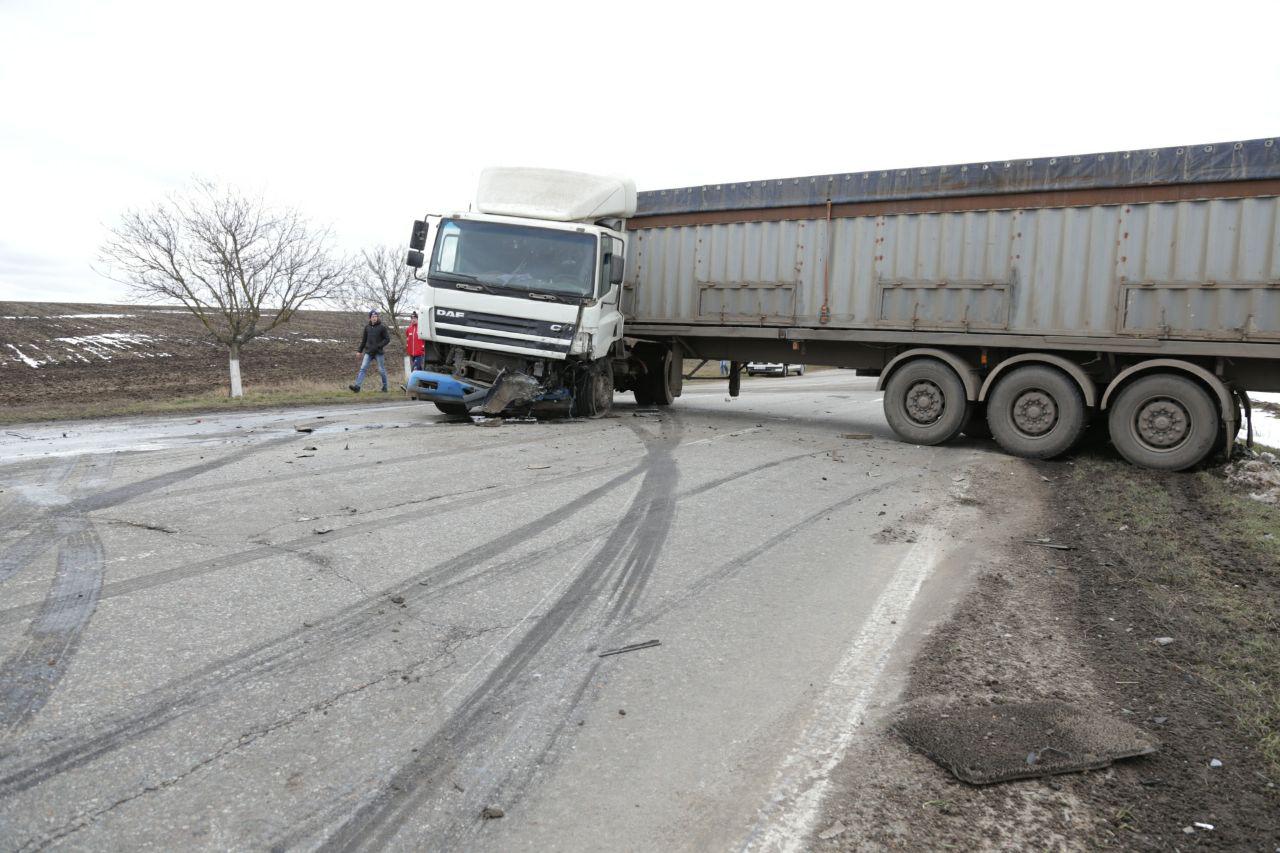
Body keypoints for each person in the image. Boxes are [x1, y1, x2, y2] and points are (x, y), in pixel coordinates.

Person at [349, 310, 390, 393]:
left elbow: (387, 339)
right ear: (370, 318)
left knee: (381, 370)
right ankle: (357, 387)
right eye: (373, 317)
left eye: (376, 316)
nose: (374, 318)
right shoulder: (367, 327)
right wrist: (359, 351)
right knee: (363, 368)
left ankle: (385, 387)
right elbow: (364, 340)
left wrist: (379, 345)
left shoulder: (382, 327)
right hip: (369, 352)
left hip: (378, 352)